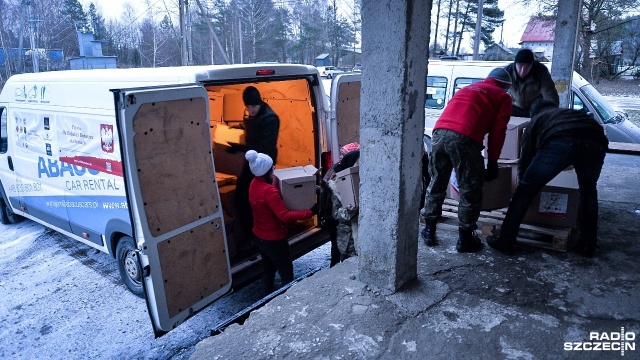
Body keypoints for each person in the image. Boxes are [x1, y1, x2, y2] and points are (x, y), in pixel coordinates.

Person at [486, 100, 609, 258]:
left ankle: (505, 241)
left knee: (524, 191)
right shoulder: (566, 114)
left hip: (561, 140)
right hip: (596, 141)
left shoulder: (536, 121)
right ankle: (587, 245)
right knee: (589, 193)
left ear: (533, 114)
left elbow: (526, 159)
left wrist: (524, 189)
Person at [421, 67, 513, 253]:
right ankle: (465, 239)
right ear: (506, 87)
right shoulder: (503, 97)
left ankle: (429, 230)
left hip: (438, 134)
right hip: (465, 139)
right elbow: (498, 132)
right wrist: (493, 161)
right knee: (470, 189)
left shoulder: (468, 89)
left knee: (437, 182)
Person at [245, 150, 317, 294]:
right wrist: (310, 212)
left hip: (259, 236)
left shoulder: (254, 183)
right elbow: (284, 216)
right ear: (267, 171)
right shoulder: (269, 191)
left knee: (268, 269)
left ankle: (266, 298)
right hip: (274, 240)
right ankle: (286, 300)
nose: (274, 169)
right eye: (272, 167)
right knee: (286, 274)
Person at [232, 86, 280, 252]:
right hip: (252, 161)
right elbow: (252, 128)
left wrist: (240, 148)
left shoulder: (271, 119)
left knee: (257, 201)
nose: (251, 110)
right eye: (248, 106)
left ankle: (259, 238)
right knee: (241, 198)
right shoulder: (254, 116)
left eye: (253, 106)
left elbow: (264, 145)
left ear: (259, 103)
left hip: (263, 165)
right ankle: (252, 235)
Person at [323, 145, 360, 263]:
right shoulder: (337, 184)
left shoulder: (362, 180)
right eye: (357, 163)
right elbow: (335, 213)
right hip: (348, 240)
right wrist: (350, 210)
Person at [504, 48, 559, 117]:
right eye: (520, 66)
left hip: (535, 109)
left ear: (532, 65)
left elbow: (550, 95)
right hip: (514, 107)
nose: (522, 71)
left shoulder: (541, 71)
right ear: (515, 64)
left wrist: (551, 115)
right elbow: (496, 91)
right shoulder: (507, 71)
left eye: (526, 67)